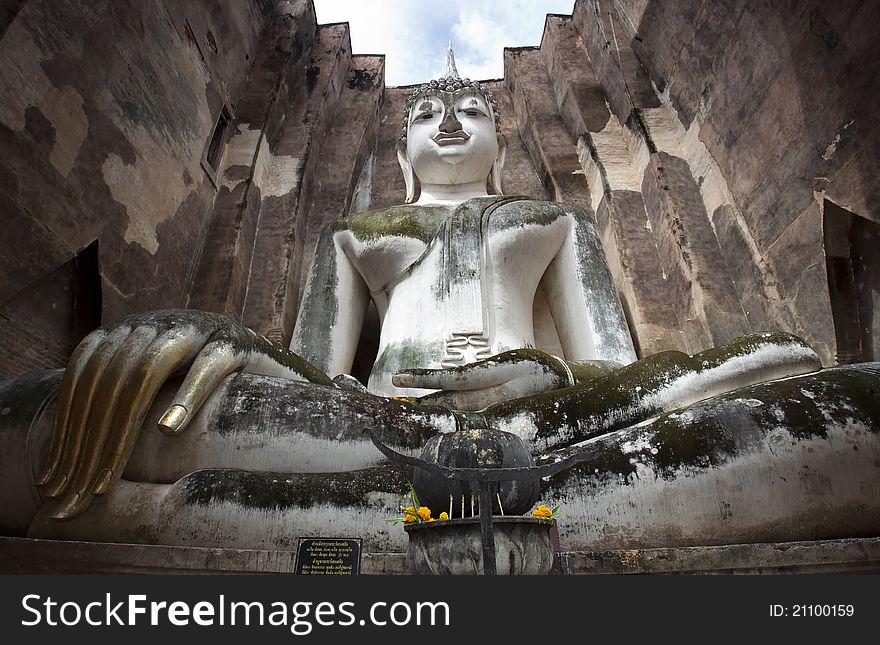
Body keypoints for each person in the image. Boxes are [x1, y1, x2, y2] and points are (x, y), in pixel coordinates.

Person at [3, 66, 877, 552]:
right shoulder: (356, 232)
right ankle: (527, 500)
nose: (449, 120)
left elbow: (612, 367)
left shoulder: (555, 222)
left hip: (562, 414)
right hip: (367, 419)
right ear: (402, 142)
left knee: (836, 401)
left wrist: (550, 378)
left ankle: (239, 510)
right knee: (104, 405)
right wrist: (226, 337)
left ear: (499, 134)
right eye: (426, 110)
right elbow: (313, 371)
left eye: (469, 108)